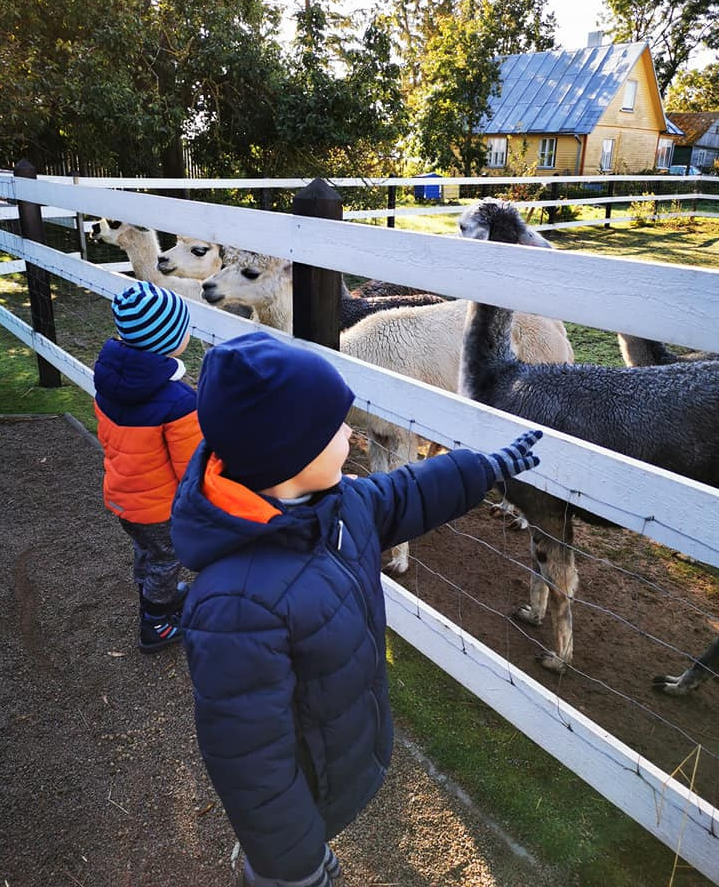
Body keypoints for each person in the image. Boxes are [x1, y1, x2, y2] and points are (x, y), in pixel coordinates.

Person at [171, 331, 542, 887]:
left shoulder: (337, 502)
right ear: (291, 454)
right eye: (334, 426)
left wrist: (481, 470)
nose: (349, 431)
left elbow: (404, 494)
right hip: (296, 810)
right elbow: (251, 765)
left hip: (337, 753)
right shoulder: (235, 606)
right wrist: (291, 864)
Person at [93, 280, 202, 654]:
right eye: (184, 328)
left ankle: (155, 595)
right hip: (158, 506)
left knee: (147, 551)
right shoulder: (178, 401)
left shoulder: (109, 383)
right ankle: (157, 622)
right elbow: (191, 466)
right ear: (168, 339)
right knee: (167, 557)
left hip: (124, 495)